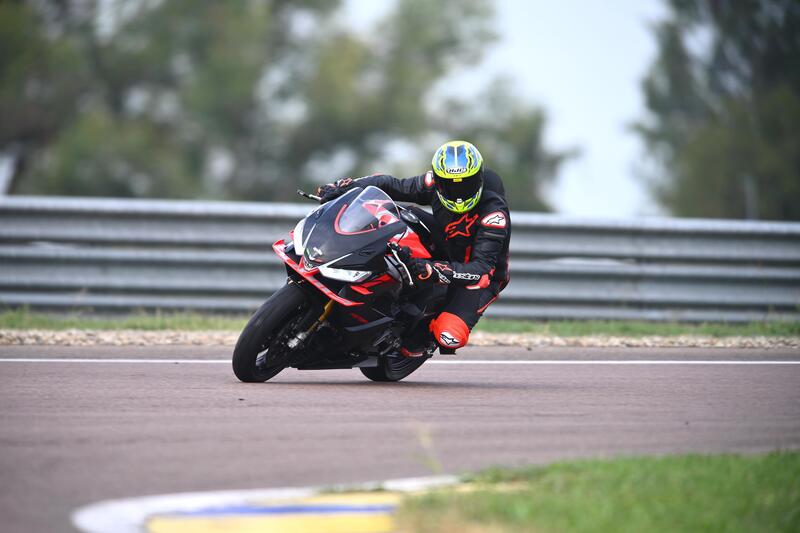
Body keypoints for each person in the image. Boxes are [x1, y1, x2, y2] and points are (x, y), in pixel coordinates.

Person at [317, 140, 511, 356]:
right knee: (393, 214)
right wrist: (344, 187)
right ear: (438, 180)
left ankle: (420, 338)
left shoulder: (494, 215)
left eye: (466, 185)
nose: (458, 194)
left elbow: (481, 269)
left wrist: (432, 269)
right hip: (448, 243)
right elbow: (391, 184)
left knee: (449, 335)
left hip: (481, 277)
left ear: (479, 179)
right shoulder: (432, 183)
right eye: (450, 185)